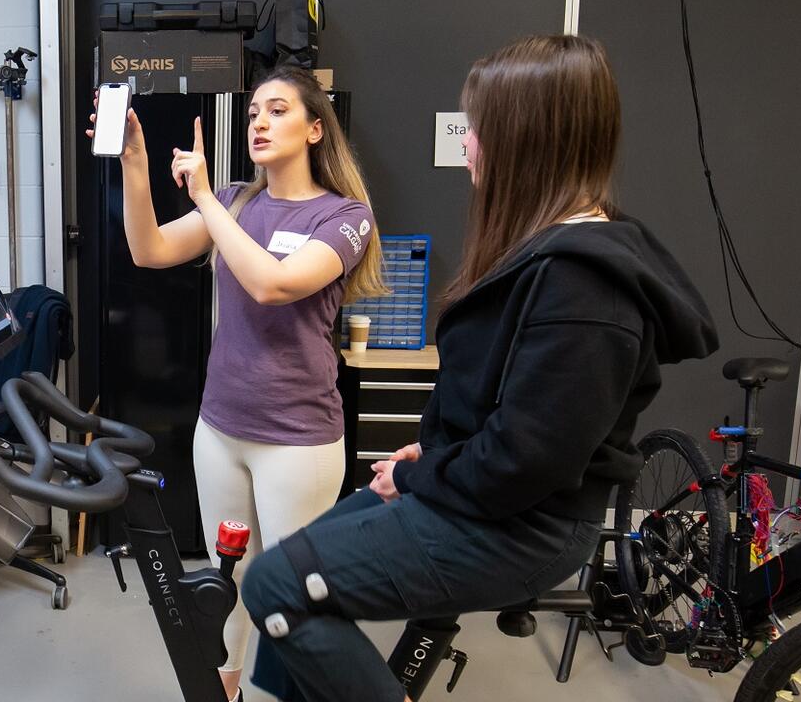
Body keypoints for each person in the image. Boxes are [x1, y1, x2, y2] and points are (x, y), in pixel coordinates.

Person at [240, 35, 720, 701]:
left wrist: (419, 472)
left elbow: (524, 463)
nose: (466, 147)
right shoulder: (549, 254)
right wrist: (432, 455)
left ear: (524, 139)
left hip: (521, 530)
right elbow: (515, 415)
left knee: (274, 586)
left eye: (475, 131)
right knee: (286, 566)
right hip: (490, 497)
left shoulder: (586, 288)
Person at [89, 65, 387, 699]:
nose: (259, 122)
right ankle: (224, 686)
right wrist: (135, 164)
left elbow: (271, 283)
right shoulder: (236, 200)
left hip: (297, 442)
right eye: (254, 112)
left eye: (278, 111)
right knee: (228, 579)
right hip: (221, 427)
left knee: (293, 592)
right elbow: (148, 251)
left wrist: (202, 199)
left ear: (315, 128)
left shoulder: (345, 216)